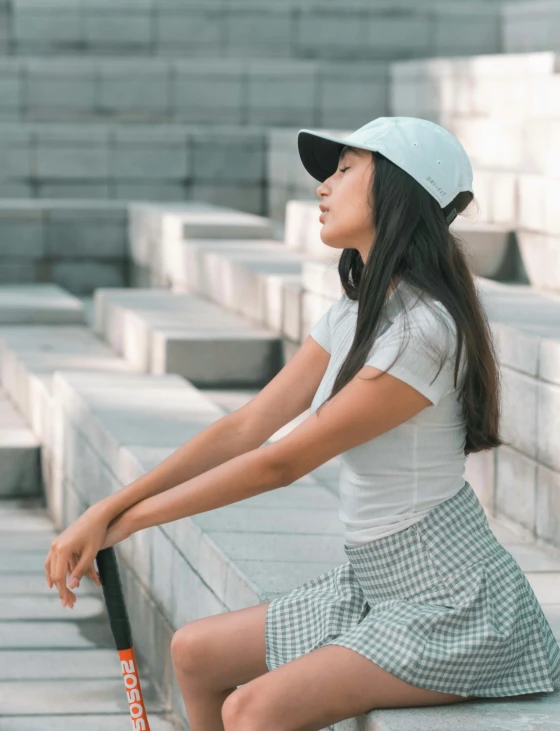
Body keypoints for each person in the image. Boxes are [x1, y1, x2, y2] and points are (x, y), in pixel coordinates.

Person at [44, 116, 560, 730]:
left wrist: (121, 523)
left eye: (344, 171)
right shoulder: (357, 312)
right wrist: (109, 507)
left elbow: (281, 462)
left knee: (252, 710)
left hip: (455, 604)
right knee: (195, 652)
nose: (322, 186)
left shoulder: (423, 332)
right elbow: (249, 425)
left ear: (399, 190)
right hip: (377, 584)